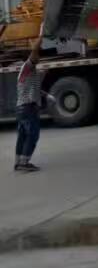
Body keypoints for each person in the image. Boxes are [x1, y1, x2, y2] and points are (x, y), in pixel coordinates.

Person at [14, 26, 51, 172]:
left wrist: (47, 95)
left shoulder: (30, 73)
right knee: (33, 135)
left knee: (23, 135)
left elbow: (35, 89)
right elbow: (35, 51)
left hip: (22, 109)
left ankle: (18, 162)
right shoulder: (27, 67)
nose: (38, 57)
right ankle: (24, 163)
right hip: (28, 108)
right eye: (36, 56)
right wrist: (41, 35)